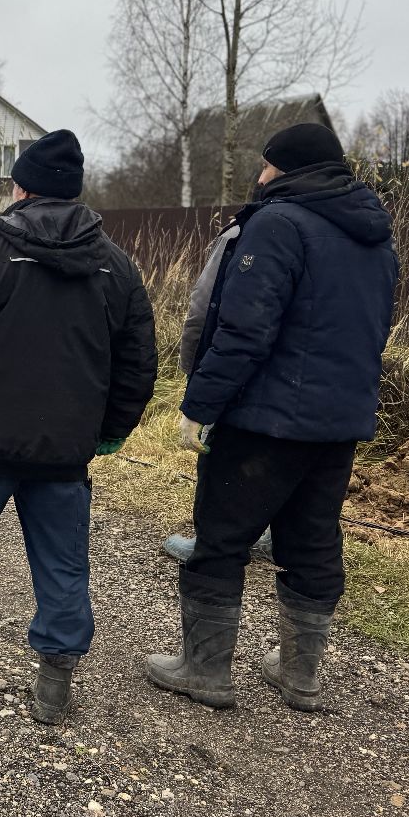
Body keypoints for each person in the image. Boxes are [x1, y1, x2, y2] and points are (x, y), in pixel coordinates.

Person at [0, 129, 157, 724]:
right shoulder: (115, 265)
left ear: (20, 187)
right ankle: (54, 688)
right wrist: (114, 428)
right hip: (65, 453)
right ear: (73, 193)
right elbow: (137, 360)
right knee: (63, 561)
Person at [146, 122, 397, 712]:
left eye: (264, 167)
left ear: (285, 169)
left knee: (221, 538)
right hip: (339, 424)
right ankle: (300, 674)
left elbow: (243, 330)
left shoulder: (278, 225)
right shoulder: (375, 236)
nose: (259, 176)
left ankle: (204, 670)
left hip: (264, 422)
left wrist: (200, 405)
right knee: (311, 541)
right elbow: (372, 332)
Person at [161, 224, 274, 567]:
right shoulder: (357, 230)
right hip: (325, 386)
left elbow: (203, 306)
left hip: (245, 375)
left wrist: (195, 374)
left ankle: (213, 539)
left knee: (223, 456)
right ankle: (277, 533)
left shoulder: (247, 232)